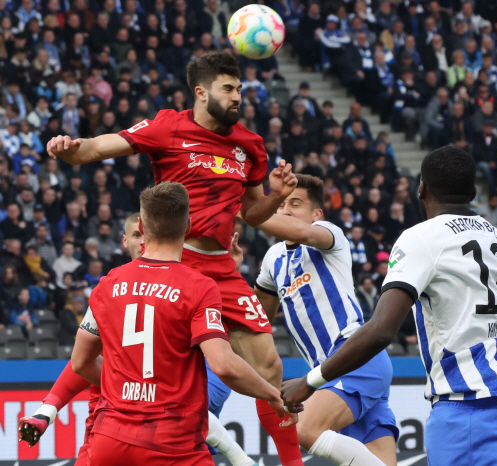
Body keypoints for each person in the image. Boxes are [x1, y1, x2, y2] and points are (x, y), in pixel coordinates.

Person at [45, 51, 304, 465]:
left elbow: (251, 214)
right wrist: (68, 149)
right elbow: (97, 148)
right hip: (174, 262)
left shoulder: (250, 147)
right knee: (149, 364)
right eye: (228, 88)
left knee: (270, 365)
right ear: (201, 92)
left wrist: (275, 195)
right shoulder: (168, 126)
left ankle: (291, 461)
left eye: (240, 88)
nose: (238, 96)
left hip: (222, 267)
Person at [281, 146, 497, 465]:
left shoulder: (421, 239)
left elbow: (381, 330)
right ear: (473, 191)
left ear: (422, 188)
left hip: (465, 411)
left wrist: (309, 382)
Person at [69, 182, 289, 465]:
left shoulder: (108, 284)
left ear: (142, 226)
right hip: (173, 443)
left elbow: (80, 362)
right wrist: (273, 395)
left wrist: (126, 386)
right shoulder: (199, 287)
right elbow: (223, 365)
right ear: (189, 226)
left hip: (110, 440)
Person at [19, 213, 260, 466]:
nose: (144, 240)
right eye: (136, 235)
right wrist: (47, 410)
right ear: (124, 241)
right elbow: (80, 362)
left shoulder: (187, 284)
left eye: (146, 234)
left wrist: (228, 275)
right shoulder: (110, 287)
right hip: (110, 433)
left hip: (165, 431)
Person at [250, 174, 398, 466]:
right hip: (327, 374)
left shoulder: (328, 234)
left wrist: (249, 213)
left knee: (306, 430)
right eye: (280, 204)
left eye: (296, 204)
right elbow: (260, 320)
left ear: (316, 214)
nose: (286, 210)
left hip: (355, 357)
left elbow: (304, 233)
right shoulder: (272, 259)